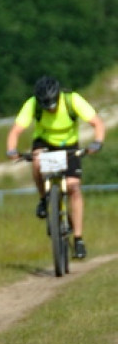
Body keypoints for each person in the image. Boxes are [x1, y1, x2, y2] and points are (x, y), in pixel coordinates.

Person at [6, 76, 105, 259]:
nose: (50, 108)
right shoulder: (32, 104)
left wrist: (97, 142)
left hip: (69, 145)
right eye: (45, 105)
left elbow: (97, 123)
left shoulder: (72, 100)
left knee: (74, 187)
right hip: (44, 142)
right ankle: (44, 199)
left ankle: (78, 239)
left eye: (52, 103)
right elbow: (16, 130)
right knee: (37, 161)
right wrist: (12, 149)